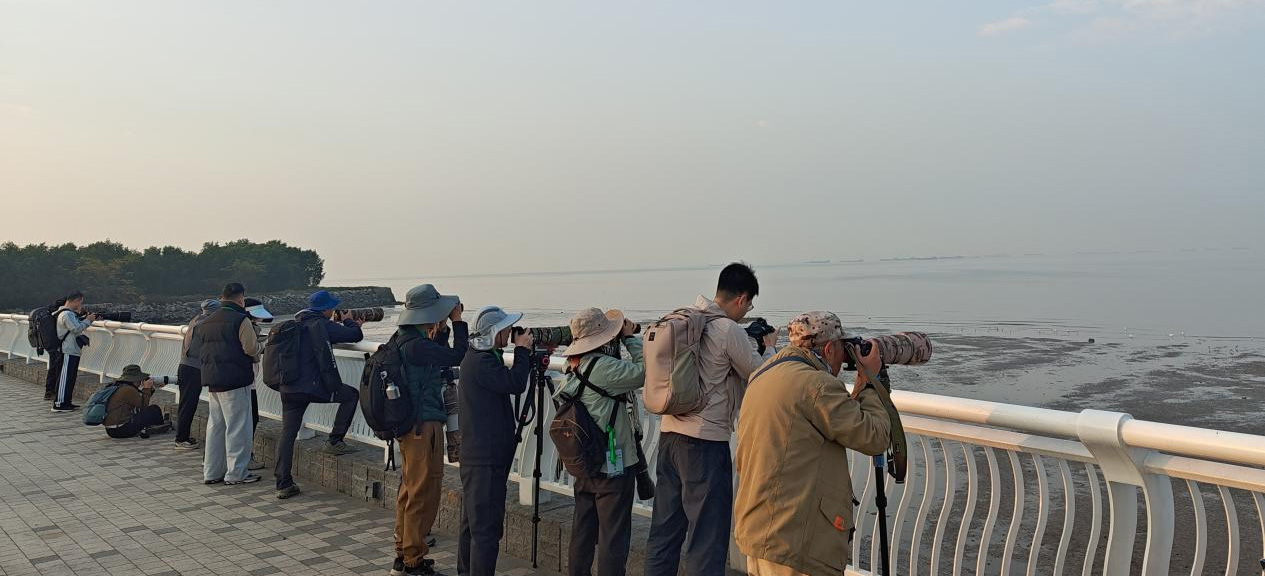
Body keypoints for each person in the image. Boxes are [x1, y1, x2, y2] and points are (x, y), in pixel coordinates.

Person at [644, 262, 779, 576]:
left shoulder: (688, 319)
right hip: (705, 444)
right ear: (741, 299)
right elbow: (761, 378)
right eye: (748, 306)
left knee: (664, 532)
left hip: (669, 436)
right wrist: (770, 348)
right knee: (707, 537)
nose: (746, 313)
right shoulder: (727, 329)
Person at [734, 312, 894, 576]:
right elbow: (875, 437)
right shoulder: (817, 385)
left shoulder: (764, 373)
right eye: (843, 350)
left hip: (759, 530)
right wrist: (870, 382)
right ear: (830, 348)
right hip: (794, 541)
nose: (844, 359)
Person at [555, 308, 645, 576]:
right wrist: (630, 339)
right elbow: (646, 371)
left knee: (583, 531)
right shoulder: (604, 367)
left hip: (584, 461)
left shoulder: (574, 364)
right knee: (613, 537)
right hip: (611, 467)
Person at [389, 284, 467, 576]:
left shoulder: (405, 339)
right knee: (424, 491)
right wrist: (458, 323)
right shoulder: (417, 345)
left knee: (410, 489)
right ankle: (414, 561)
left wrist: (443, 328)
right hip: (424, 426)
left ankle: (404, 553)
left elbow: (439, 356)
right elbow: (458, 355)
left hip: (411, 424)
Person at [456, 305, 534, 576]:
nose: (510, 334)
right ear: (492, 334)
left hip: (479, 456)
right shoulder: (482, 362)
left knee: (474, 526)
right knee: (486, 531)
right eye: (506, 330)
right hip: (484, 460)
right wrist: (523, 351)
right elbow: (515, 383)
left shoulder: (477, 357)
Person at [274, 290, 364, 500]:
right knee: (350, 395)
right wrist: (350, 322)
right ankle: (334, 441)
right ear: (325, 309)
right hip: (310, 387)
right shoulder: (321, 325)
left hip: (287, 386)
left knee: (288, 433)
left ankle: (283, 483)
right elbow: (355, 336)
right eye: (332, 308)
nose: (334, 312)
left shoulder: (295, 323)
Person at [191, 282, 262, 485]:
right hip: (236, 378)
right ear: (241, 299)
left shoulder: (207, 320)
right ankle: (236, 473)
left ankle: (212, 472)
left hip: (212, 378)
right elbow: (250, 348)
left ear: (221, 298)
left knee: (216, 427)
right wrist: (261, 346)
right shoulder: (241, 320)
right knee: (238, 427)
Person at [174, 299, 219, 449]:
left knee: (186, 403)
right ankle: (181, 439)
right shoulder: (207, 324)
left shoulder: (196, 320)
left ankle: (182, 437)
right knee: (189, 404)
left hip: (185, 366)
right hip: (194, 368)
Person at [51, 292, 98, 413]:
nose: (81, 305)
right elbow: (76, 328)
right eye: (81, 302)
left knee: (70, 377)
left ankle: (66, 402)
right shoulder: (66, 314)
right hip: (67, 349)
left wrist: (85, 319)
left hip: (72, 349)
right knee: (65, 377)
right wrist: (88, 320)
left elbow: (75, 325)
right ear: (75, 301)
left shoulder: (68, 314)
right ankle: (59, 404)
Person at [244, 297, 274, 471]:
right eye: (256, 317)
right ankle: (245, 459)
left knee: (231, 423)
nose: (259, 320)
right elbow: (252, 351)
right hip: (245, 383)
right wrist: (267, 343)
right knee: (249, 421)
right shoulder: (246, 328)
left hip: (242, 382)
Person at [103, 364, 173, 439]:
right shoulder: (128, 390)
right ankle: (160, 427)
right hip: (122, 430)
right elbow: (143, 406)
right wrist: (147, 388)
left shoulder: (119, 386)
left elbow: (138, 401)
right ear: (135, 379)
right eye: (140, 379)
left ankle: (154, 426)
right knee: (154, 409)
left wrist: (151, 388)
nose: (141, 381)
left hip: (111, 431)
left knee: (150, 411)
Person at [37, 297, 67, 401]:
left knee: (53, 367)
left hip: (49, 345)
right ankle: (50, 391)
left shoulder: (49, 313)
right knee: (55, 368)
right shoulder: (58, 314)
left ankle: (49, 391)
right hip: (55, 346)